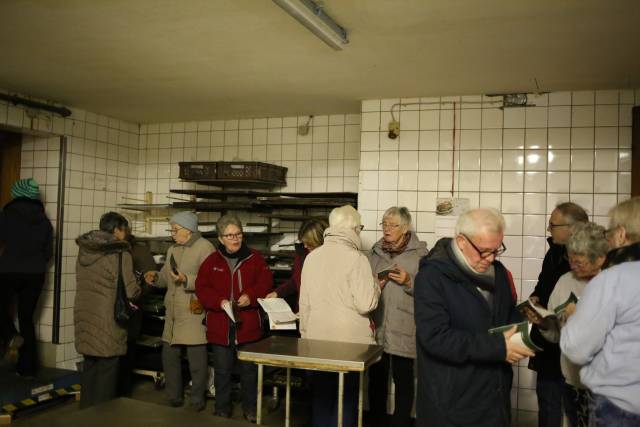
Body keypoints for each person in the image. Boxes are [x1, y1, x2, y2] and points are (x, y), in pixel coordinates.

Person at [414, 208, 534, 427]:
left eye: (497, 251)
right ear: (461, 241)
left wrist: (532, 323)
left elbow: (505, 316)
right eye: (484, 251)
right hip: (452, 405)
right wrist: (498, 346)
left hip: (493, 401)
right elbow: (435, 338)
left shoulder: (498, 273)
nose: (490, 259)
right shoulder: (432, 278)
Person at [299, 205, 381, 427]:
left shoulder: (312, 258)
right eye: (360, 228)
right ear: (354, 228)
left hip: (317, 342)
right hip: (349, 347)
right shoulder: (357, 259)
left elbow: (304, 305)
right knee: (346, 399)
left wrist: (306, 337)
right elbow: (366, 304)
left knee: (322, 398)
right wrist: (375, 285)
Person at [561, 197, 640, 426]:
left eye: (611, 231)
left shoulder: (613, 279)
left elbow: (576, 348)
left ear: (621, 234)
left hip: (621, 407)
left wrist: (574, 319)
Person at [525, 222, 609, 427]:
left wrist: (580, 319)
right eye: (570, 260)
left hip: (607, 387)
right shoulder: (564, 281)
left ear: (600, 257)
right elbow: (556, 335)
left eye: (579, 262)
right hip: (572, 381)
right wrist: (544, 323)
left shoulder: (614, 284)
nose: (573, 267)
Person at [195, 214, 272, 423]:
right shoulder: (211, 261)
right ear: (220, 238)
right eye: (229, 235)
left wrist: (251, 296)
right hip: (220, 326)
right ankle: (222, 409)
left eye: (238, 234)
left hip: (248, 326)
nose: (235, 238)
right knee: (222, 372)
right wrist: (218, 301)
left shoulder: (255, 259)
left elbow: (265, 283)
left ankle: (250, 409)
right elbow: (202, 288)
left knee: (250, 372)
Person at [144, 211, 214, 411]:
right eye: (172, 230)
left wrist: (187, 280)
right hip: (174, 311)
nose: (172, 234)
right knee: (169, 354)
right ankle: (174, 396)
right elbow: (167, 277)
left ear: (189, 231)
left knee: (197, 359)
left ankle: (197, 399)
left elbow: (211, 282)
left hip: (193, 310)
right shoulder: (173, 249)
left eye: (175, 230)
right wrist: (156, 277)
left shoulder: (205, 248)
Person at [528, 202, 588, 427]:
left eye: (552, 225)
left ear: (572, 228)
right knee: (549, 406)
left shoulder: (586, 263)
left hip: (573, 352)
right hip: (547, 345)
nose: (548, 229)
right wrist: (536, 299)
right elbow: (543, 285)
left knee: (577, 413)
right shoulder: (552, 254)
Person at [367, 207, 427, 427]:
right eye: (384, 224)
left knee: (403, 380)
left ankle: (401, 423)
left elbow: (429, 290)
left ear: (406, 228)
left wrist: (408, 281)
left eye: (393, 225)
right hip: (378, 323)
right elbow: (363, 284)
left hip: (404, 324)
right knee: (376, 379)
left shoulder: (420, 255)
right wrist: (374, 283)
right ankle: (376, 421)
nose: (387, 229)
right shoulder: (374, 252)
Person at [74, 212, 141, 408]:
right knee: (108, 370)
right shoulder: (121, 253)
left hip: (84, 313)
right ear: (117, 230)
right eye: (125, 229)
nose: (126, 234)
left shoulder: (85, 249)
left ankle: (85, 414)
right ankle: (102, 417)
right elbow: (131, 292)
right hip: (107, 319)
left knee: (90, 367)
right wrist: (140, 283)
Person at [0, 178, 52, 377]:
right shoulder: (44, 221)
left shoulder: (6, 215)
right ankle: (27, 369)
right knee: (26, 318)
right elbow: (48, 253)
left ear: (16, 194)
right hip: (36, 273)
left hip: (8, 270)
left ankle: (11, 335)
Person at [117, 226, 157, 396]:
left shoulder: (139, 252)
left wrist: (140, 292)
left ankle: (122, 391)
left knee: (127, 349)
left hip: (132, 307)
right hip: (117, 306)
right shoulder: (115, 250)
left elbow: (151, 278)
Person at [265, 218, 328, 312]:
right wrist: (277, 293)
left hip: (322, 314)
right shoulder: (301, 254)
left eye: (310, 244)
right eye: (304, 243)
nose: (306, 246)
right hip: (302, 313)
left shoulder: (330, 260)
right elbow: (296, 280)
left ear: (320, 241)